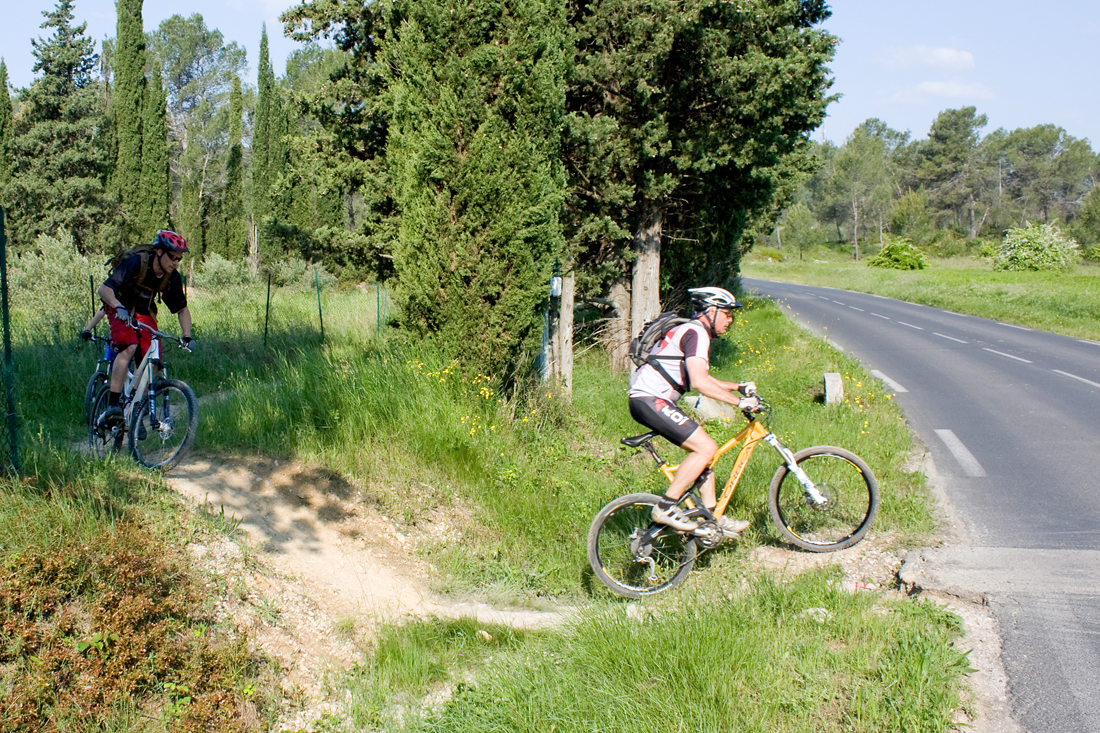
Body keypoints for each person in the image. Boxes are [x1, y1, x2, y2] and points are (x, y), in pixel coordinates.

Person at [627, 286, 760, 536]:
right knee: (706, 448)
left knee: (705, 455)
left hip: (650, 400)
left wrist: (738, 387)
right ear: (711, 311)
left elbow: (701, 377)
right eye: (727, 313)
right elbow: (699, 383)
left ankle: (712, 518)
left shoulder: (689, 330)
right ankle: (665, 507)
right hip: (651, 399)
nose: (730, 319)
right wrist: (738, 402)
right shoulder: (696, 333)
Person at [97, 230, 194, 424]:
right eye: (172, 257)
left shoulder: (171, 277)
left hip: (143, 311)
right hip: (118, 306)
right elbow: (104, 289)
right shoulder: (137, 263)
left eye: (179, 259)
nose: (175, 262)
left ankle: (136, 408)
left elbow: (182, 309)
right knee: (129, 345)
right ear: (159, 252)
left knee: (153, 358)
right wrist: (118, 307)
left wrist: (187, 335)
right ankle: (113, 404)